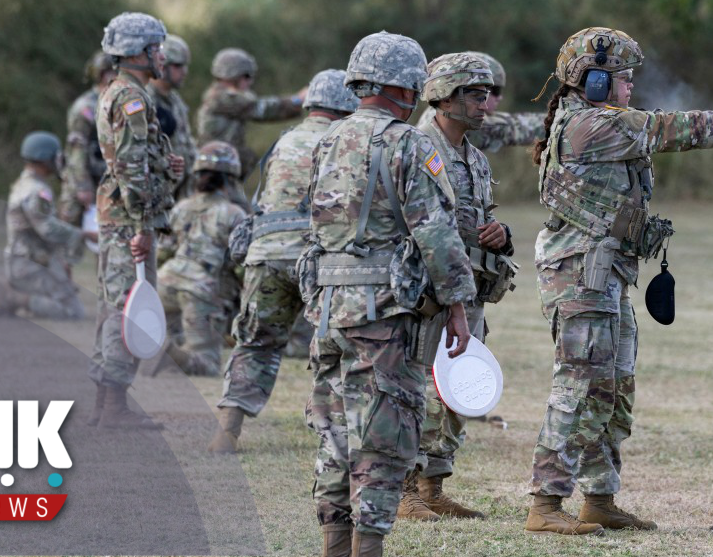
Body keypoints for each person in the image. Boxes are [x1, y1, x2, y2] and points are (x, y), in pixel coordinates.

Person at [525, 27, 713, 535]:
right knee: (578, 388)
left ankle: (599, 498)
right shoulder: (587, 126)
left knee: (613, 389)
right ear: (594, 82)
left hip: (604, 272)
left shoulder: (601, 121)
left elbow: (651, 129)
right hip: (581, 275)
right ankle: (545, 506)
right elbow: (662, 129)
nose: (630, 88)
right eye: (623, 79)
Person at [303, 31, 476, 557]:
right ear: (406, 85)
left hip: (330, 309)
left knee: (333, 436)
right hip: (383, 315)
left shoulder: (326, 139)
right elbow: (435, 232)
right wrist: (458, 304)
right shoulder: (408, 142)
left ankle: (334, 546)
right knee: (384, 436)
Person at [206, 68, 359, 453]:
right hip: (316, 257)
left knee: (255, 342)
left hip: (266, 253)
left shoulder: (284, 140)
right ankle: (336, 437)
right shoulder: (346, 140)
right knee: (335, 346)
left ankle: (227, 431)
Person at [397, 52, 516, 522]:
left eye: (487, 95)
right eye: (474, 94)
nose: (485, 105)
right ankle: (404, 486)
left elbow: (481, 218)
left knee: (456, 387)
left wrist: (501, 235)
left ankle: (433, 485)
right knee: (416, 388)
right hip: (426, 293)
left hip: (470, 291)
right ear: (443, 97)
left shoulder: (475, 157)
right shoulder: (416, 148)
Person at [86, 11, 185, 430]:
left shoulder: (119, 90)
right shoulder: (132, 97)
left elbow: (136, 158)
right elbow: (129, 165)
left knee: (115, 306)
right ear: (139, 53)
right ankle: (113, 407)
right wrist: (144, 225)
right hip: (129, 220)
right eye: (156, 48)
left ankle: (105, 404)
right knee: (126, 308)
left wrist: (166, 162)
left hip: (120, 215)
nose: (162, 55)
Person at [155, 141, 247, 377]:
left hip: (165, 285)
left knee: (182, 342)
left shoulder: (180, 207)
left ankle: (166, 351)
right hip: (200, 292)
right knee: (207, 364)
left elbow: (162, 253)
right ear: (232, 177)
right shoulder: (234, 214)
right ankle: (169, 354)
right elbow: (241, 265)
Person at [0, 131, 96, 319]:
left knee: (69, 298)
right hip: (30, 267)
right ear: (44, 159)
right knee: (73, 312)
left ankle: (18, 293)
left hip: (27, 263)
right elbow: (48, 230)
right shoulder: (36, 191)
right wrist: (83, 235)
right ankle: (14, 298)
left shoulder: (24, 184)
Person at [196, 47, 306, 180]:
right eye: (247, 76)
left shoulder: (222, 96)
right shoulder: (223, 98)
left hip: (220, 167)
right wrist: (297, 100)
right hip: (215, 170)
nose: (250, 81)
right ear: (233, 75)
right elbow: (262, 109)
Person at [416, 51, 544, 153]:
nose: (499, 97)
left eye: (485, 94)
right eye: (495, 91)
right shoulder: (457, 120)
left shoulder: (443, 113)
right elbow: (517, 127)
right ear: (447, 96)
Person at [56, 52, 115, 236]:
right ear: (104, 74)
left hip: (105, 180)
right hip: (81, 177)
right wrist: (83, 186)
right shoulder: (86, 107)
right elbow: (76, 147)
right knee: (68, 236)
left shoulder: (115, 102)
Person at [148, 34, 198, 201]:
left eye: (185, 66)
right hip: (157, 189)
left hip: (181, 188)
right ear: (162, 65)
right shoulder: (146, 99)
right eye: (178, 66)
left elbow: (186, 140)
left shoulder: (175, 100)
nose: (184, 72)